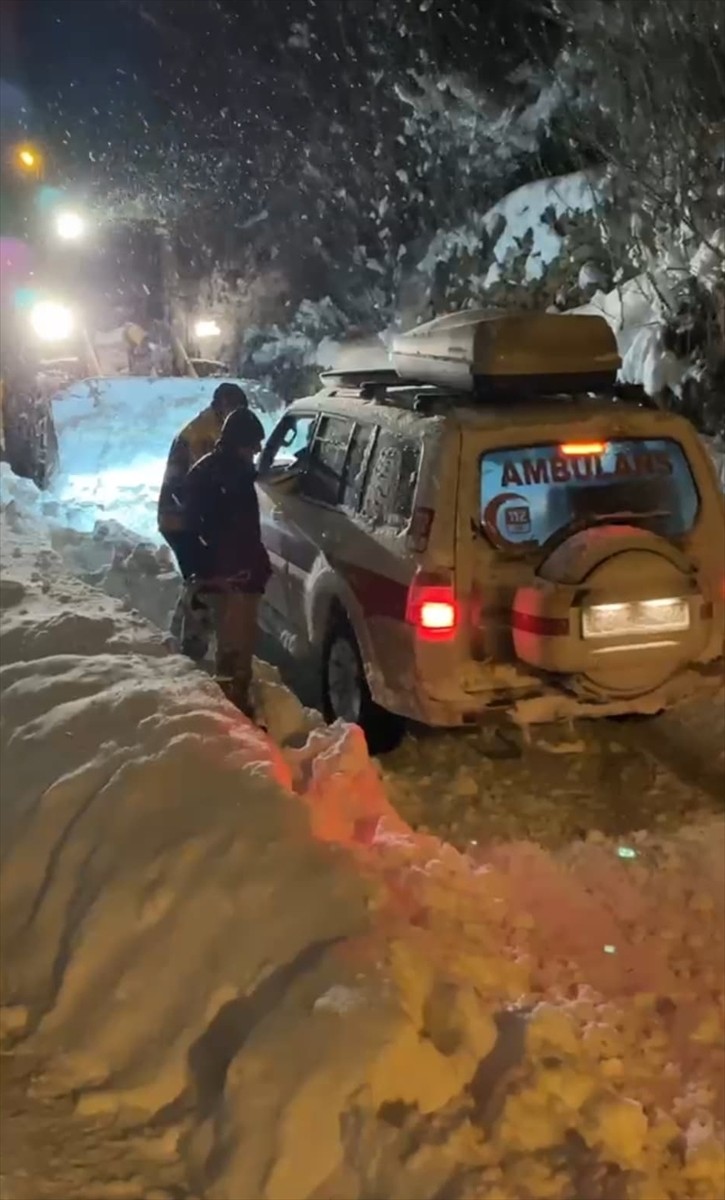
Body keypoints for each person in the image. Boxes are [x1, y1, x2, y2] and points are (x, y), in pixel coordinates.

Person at [182, 406, 270, 714]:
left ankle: (231, 709)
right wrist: (212, 575)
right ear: (239, 442)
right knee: (234, 654)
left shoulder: (224, 470)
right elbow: (193, 531)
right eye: (253, 444)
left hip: (236, 576)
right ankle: (233, 719)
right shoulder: (224, 476)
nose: (258, 450)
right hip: (230, 580)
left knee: (232, 647)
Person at [157, 381, 249, 653]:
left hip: (183, 516)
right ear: (222, 405)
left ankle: (177, 633)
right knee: (202, 578)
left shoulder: (212, 429)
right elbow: (198, 487)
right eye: (234, 409)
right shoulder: (202, 437)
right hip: (180, 520)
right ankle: (192, 648)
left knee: (197, 576)